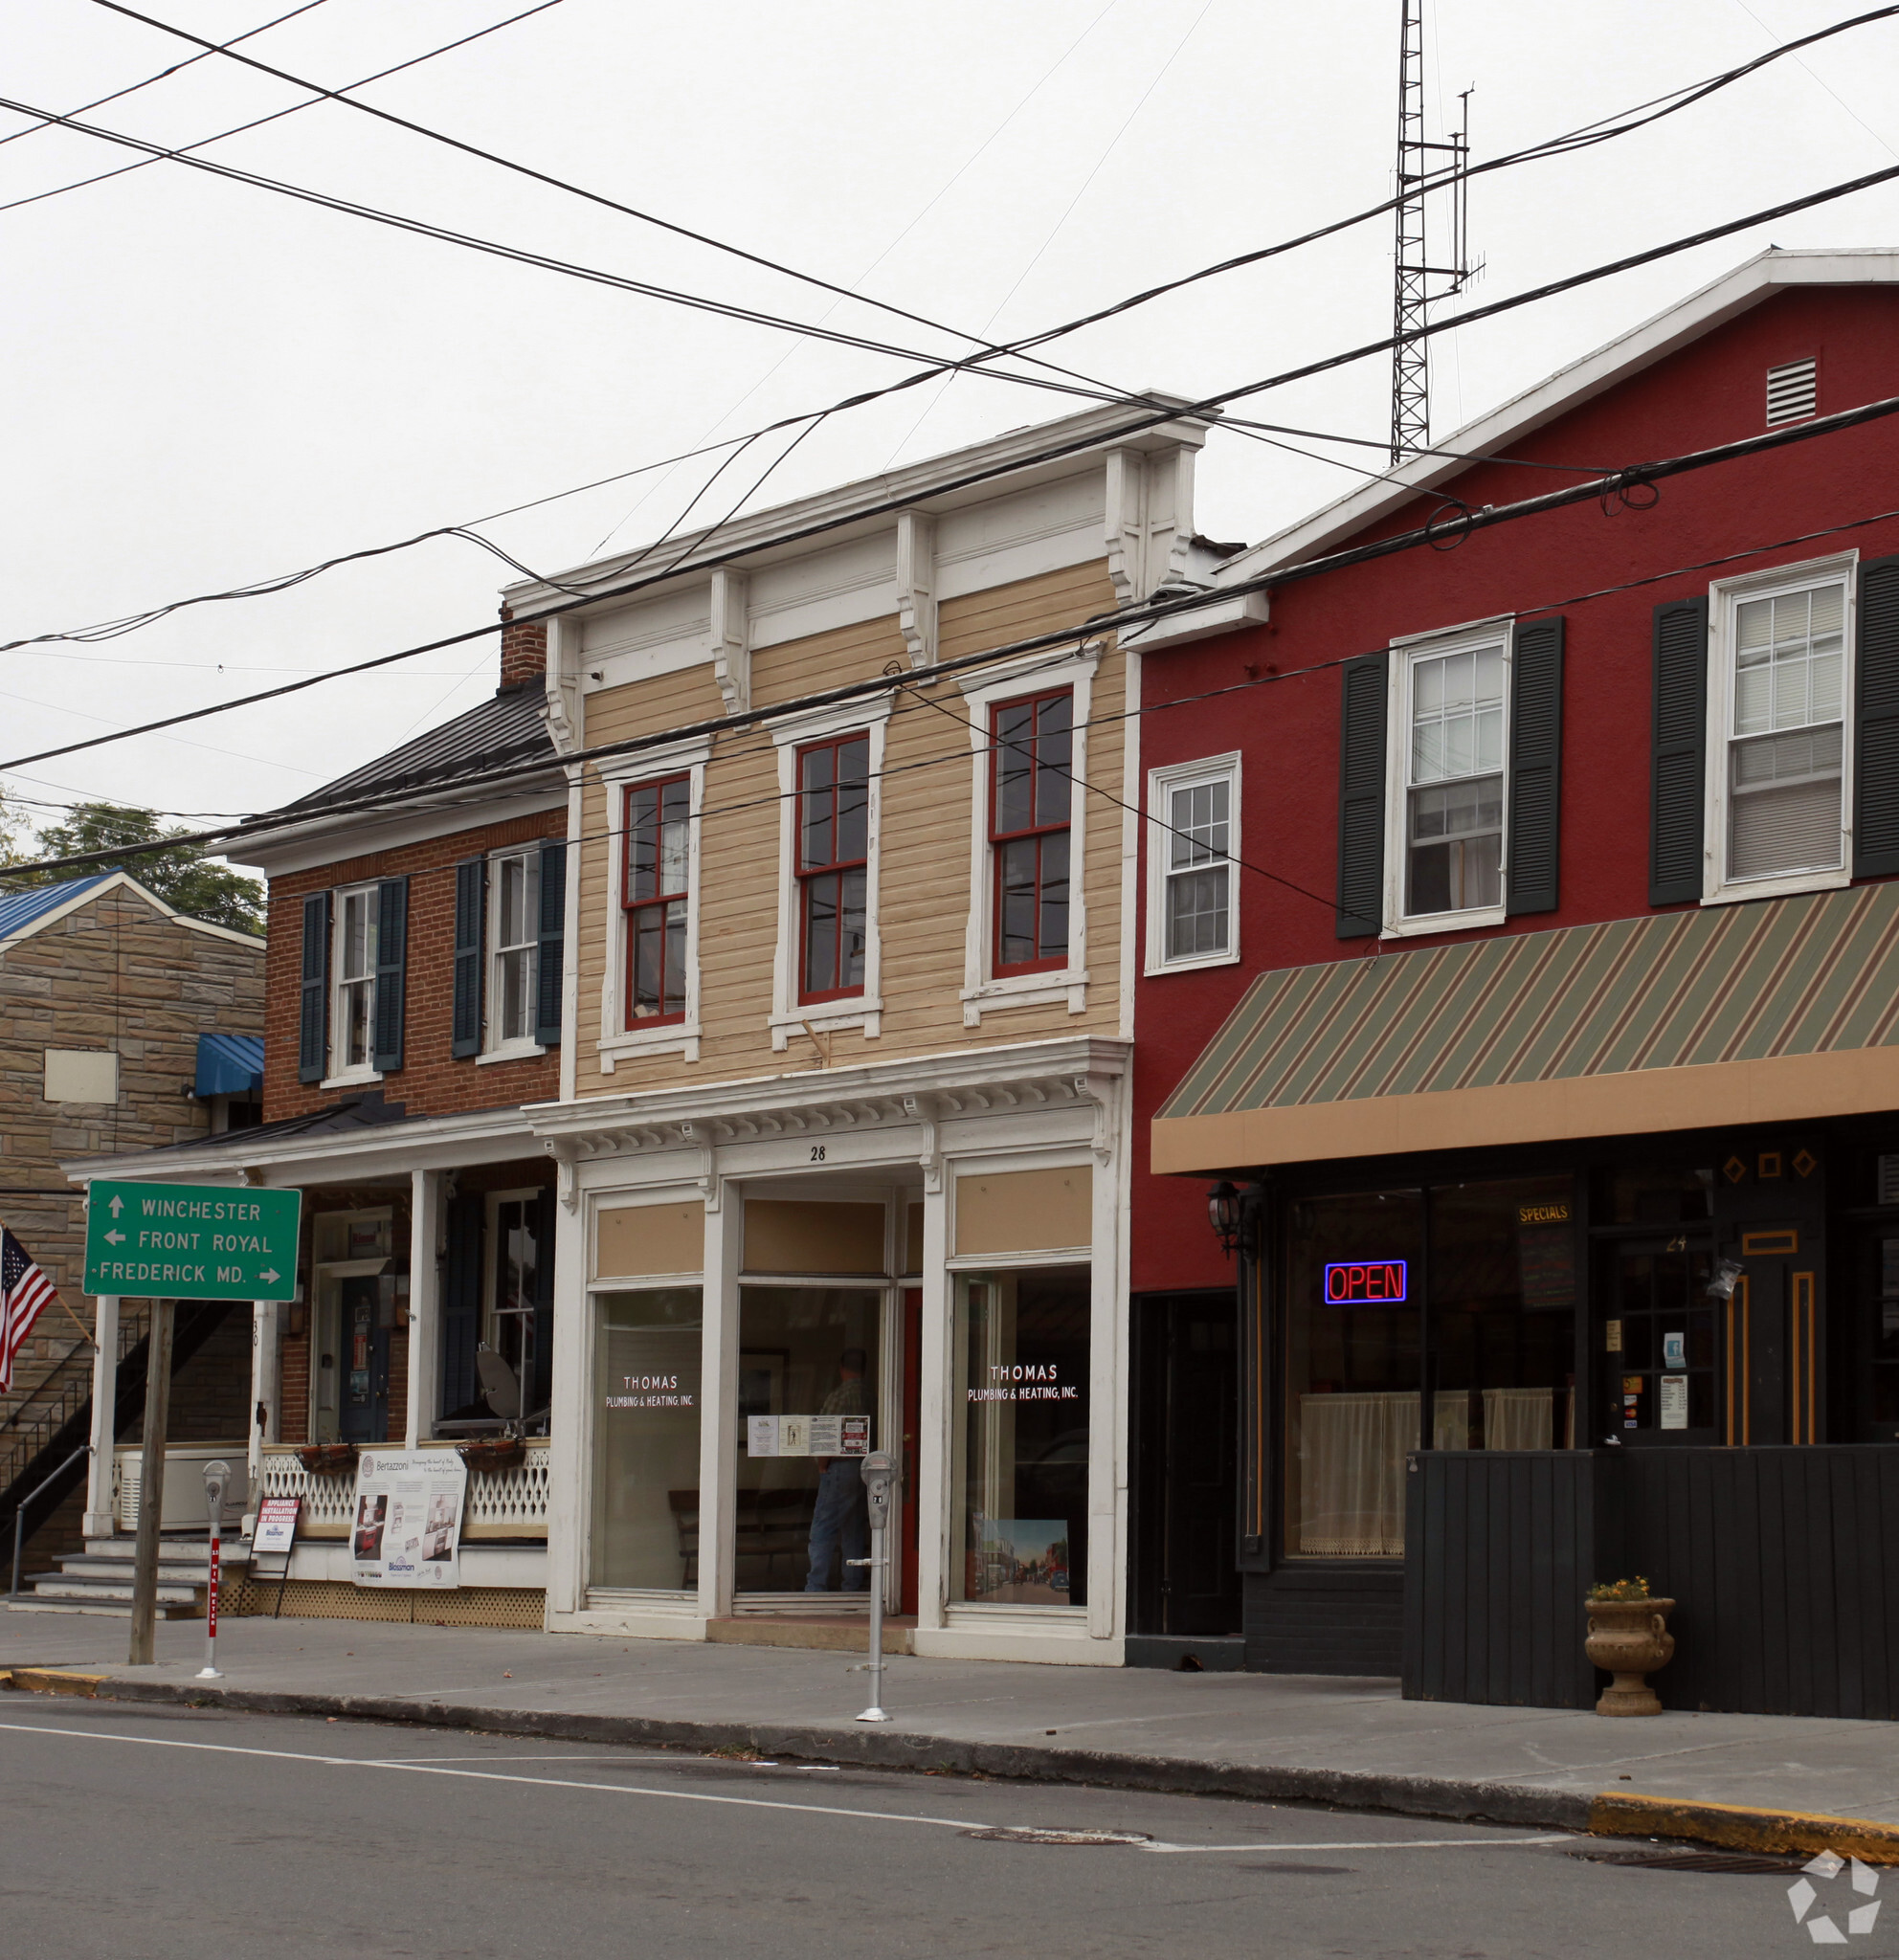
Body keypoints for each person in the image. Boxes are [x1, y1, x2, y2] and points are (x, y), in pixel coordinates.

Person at [804, 1347, 869, 1592]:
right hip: (865, 1468)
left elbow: (826, 1437)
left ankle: (815, 1587)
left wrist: (822, 1466)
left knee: (823, 1527)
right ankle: (851, 1585)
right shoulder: (873, 1393)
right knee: (853, 1528)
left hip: (840, 1466)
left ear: (842, 1370)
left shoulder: (839, 1396)